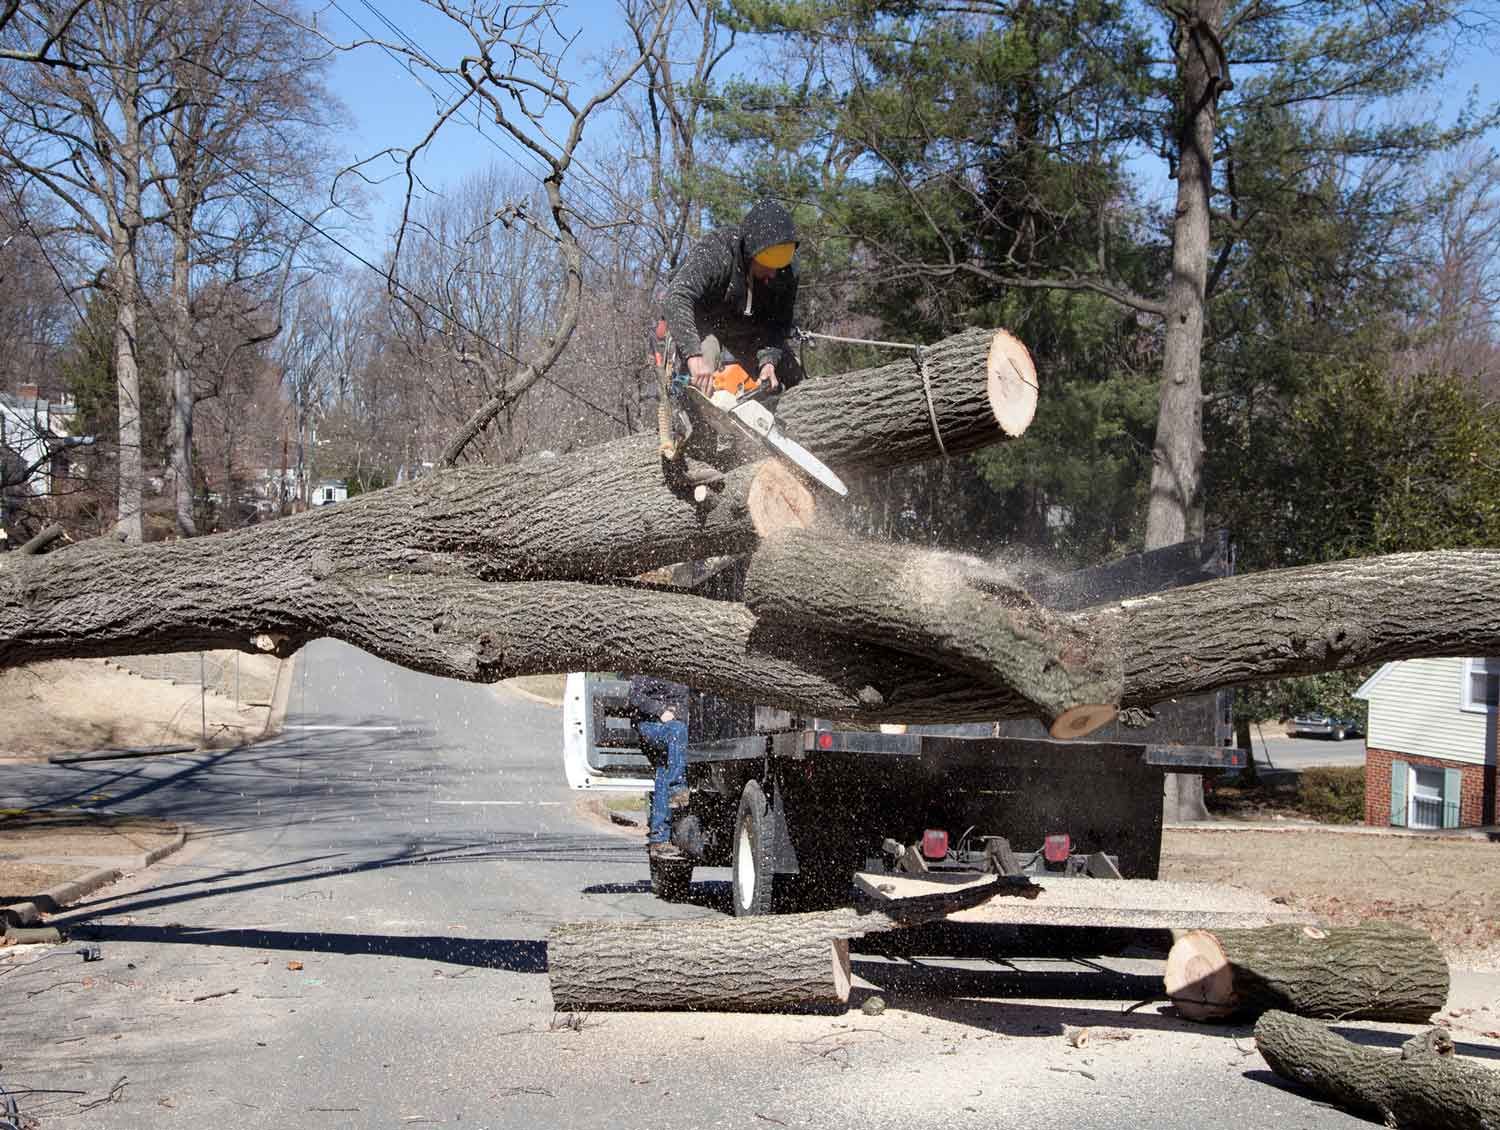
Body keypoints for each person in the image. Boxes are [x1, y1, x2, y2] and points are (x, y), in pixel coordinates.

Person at [655, 199, 805, 459]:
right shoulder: (718, 250)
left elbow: (778, 325)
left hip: (746, 325)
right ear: (749, 253)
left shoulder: (786, 271)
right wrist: (693, 355)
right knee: (700, 376)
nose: (771, 274)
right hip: (702, 320)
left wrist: (768, 361)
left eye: (777, 267)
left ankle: (792, 443)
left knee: (790, 378)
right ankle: (696, 451)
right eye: (766, 265)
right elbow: (676, 297)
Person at [628, 672, 690, 861]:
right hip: (651, 726)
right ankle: (677, 788)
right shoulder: (651, 668)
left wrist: (676, 711)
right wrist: (660, 710)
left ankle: (659, 839)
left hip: (673, 728)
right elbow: (635, 697)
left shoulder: (687, 672)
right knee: (677, 731)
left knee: (663, 771)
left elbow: (687, 702)